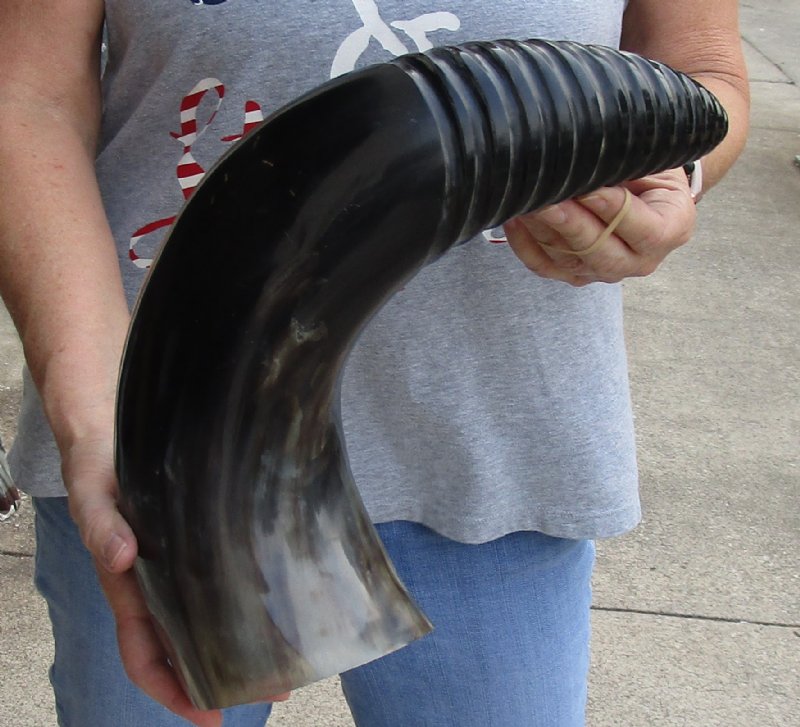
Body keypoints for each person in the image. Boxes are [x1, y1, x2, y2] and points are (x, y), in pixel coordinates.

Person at [0, 1, 748, 726]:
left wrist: (671, 176)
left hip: (498, 459)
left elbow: (703, 73)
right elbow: (26, 95)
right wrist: (91, 411)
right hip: (166, 441)